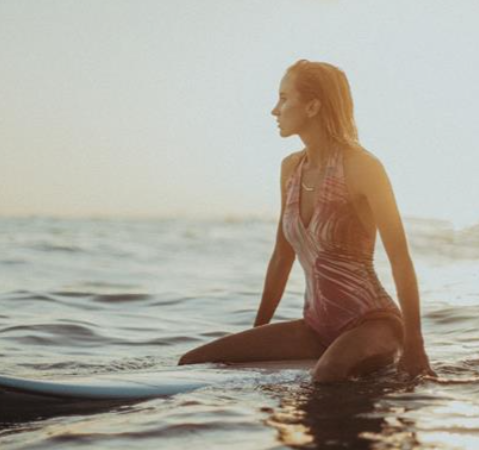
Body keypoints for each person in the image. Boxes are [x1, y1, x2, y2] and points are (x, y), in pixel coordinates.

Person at [178, 59, 434, 382]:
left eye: (284, 98)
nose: (275, 110)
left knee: (327, 374)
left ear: (313, 106)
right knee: (194, 361)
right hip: (316, 327)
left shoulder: (363, 167)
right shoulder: (291, 169)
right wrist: (258, 335)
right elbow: (281, 257)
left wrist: (414, 345)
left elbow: (400, 259)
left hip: (373, 324)